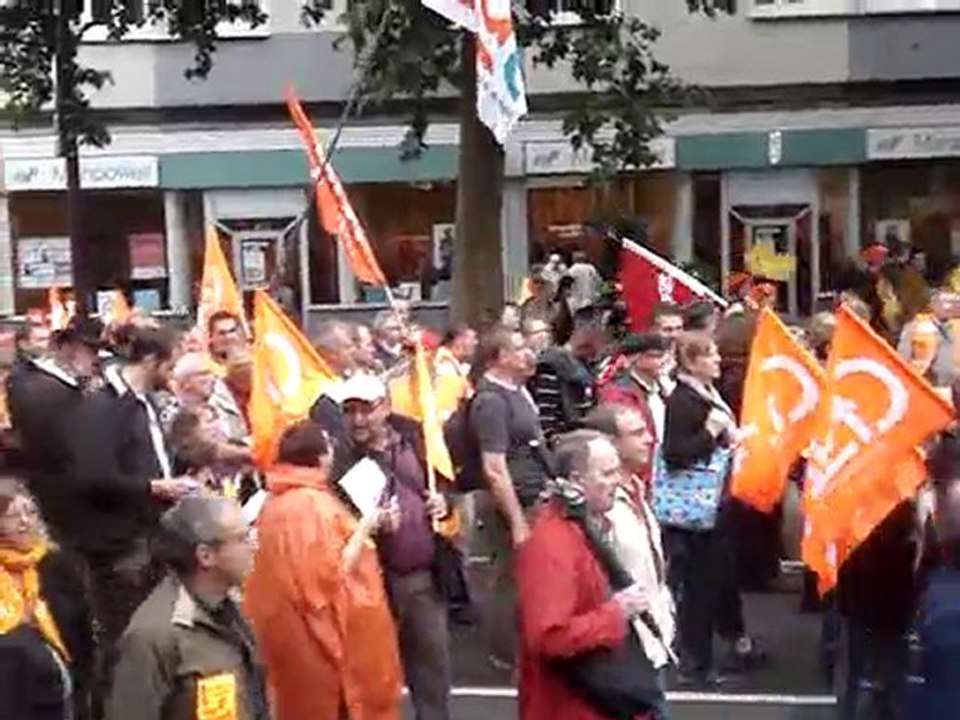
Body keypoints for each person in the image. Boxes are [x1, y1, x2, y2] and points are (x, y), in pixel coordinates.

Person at [68, 325, 198, 704]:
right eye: (170, 367)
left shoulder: (145, 403)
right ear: (151, 361)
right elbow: (92, 476)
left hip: (151, 536)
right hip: (122, 547)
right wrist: (153, 488)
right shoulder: (103, 406)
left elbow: (150, 457)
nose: (173, 377)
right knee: (126, 643)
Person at [245, 421, 403, 720]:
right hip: (324, 642)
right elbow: (329, 575)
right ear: (319, 457)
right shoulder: (308, 504)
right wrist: (365, 527)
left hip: (292, 638)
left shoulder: (277, 502)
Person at [516, 430, 660, 720]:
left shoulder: (585, 529)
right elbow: (549, 638)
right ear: (575, 481)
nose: (617, 482)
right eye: (606, 474)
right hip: (575, 706)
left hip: (602, 696)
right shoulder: (552, 546)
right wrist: (616, 613)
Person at [334, 373, 453, 720]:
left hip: (421, 578)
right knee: (371, 676)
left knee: (432, 672)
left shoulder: (418, 438)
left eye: (365, 409)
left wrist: (443, 504)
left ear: (384, 407)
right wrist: (368, 526)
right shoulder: (339, 458)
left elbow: (447, 487)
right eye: (349, 411)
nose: (357, 419)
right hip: (371, 583)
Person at [107, 495, 266, 720]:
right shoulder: (154, 635)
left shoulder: (228, 608)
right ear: (206, 555)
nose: (254, 546)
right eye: (242, 538)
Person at [661, 332, 748, 686]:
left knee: (718, 581)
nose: (718, 360)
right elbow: (676, 453)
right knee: (699, 586)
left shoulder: (707, 394)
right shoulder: (683, 401)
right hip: (696, 512)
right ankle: (696, 661)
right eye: (710, 355)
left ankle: (723, 645)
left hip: (715, 506)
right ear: (692, 362)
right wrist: (712, 433)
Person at [469, 326, 545, 668]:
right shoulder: (490, 402)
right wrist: (516, 521)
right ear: (499, 358)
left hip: (533, 494)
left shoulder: (517, 392)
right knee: (510, 577)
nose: (527, 353)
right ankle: (505, 652)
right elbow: (495, 467)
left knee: (528, 575)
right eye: (518, 348)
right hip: (512, 501)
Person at [0, 476, 94, 720]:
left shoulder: (56, 564)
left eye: (30, 512)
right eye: (12, 515)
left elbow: (81, 627)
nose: (24, 522)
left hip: (64, 683)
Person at [7, 317, 102, 539]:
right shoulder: (49, 391)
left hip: (52, 497)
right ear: (68, 348)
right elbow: (68, 451)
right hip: (59, 503)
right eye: (92, 351)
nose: (97, 360)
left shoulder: (31, 381)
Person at [598, 333, 670, 471]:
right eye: (656, 356)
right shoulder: (618, 393)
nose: (664, 361)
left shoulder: (661, 390)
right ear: (635, 358)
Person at [529, 307, 602, 440]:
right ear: (589, 332)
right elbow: (546, 419)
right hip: (566, 446)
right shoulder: (550, 365)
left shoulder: (588, 365)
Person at [565, 249, 603, 313]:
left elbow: (566, 280)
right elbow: (598, 281)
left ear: (574, 259)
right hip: (591, 297)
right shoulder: (591, 268)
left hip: (578, 298)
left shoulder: (574, 268)